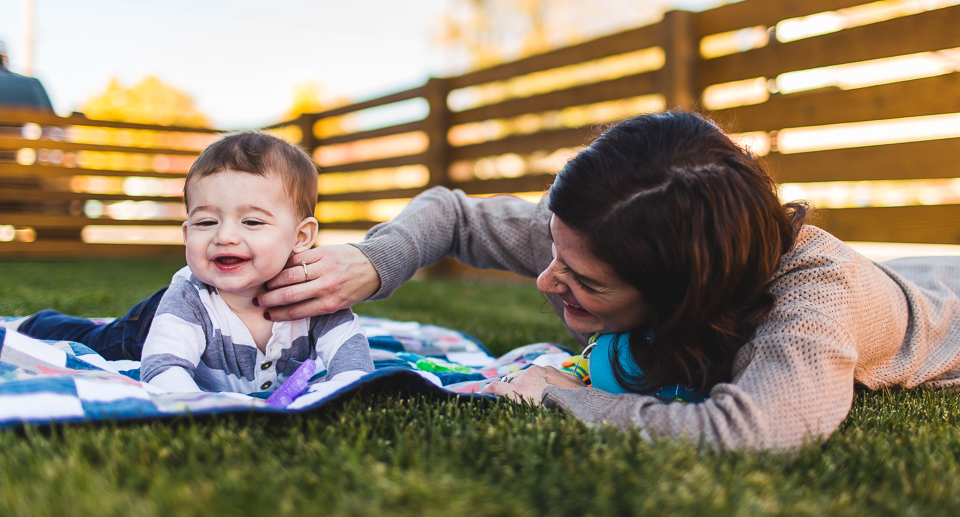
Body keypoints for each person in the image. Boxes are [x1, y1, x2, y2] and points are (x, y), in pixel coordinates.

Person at [19, 111, 960, 449]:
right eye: (554, 248)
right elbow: (458, 213)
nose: (547, 275)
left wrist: (560, 395)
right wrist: (372, 261)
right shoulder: (618, 224)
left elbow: (754, 433)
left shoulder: (816, 309)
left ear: (679, 300)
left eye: (581, 284)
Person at [22, 131, 374, 395]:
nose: (225, 237)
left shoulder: (313, 291)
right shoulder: (189, 298)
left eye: (251, 222)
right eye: (206, 222)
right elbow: (163, 370)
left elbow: (350, 354)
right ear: (187, 231)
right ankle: (42, 322)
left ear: (300, 237)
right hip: (146, 329)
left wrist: (347, 389)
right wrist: (195, 404)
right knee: (96, 340)